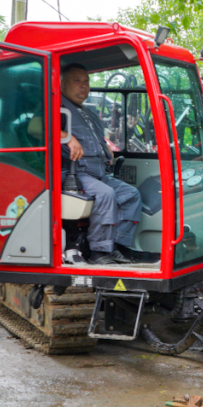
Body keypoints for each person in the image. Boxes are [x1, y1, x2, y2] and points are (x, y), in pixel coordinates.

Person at [58, 63, 142, 265]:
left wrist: (106, 150)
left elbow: (98, 139)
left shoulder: (89, 114)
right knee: (105, 194)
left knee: (132, 195)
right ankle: (98, 252)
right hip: (74, 173)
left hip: (97, 173)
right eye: (76, 81)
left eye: (86, 82)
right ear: (62, 84)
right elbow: (37, 129)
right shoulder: (56, 108)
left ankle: (116, 246)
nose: (83, 86)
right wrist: (67, 137)